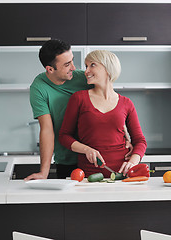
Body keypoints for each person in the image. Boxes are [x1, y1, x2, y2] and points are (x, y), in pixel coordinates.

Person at [25, 39, 132, 180]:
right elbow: (46, 130)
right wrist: (44, 172)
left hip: (96, 159)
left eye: (72, 61)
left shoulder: (83, 77)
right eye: (67, 64)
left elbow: (112, 105)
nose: (74, 68)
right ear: (50, 69)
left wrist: (126, 136)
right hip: (67, 158)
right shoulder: (39, 88)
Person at [59, 50, 147, 177]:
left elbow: (140, 141)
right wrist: (86, 149)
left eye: (92, 65)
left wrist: (133, 162)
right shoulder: (79, 98)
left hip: (122, 176)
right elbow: (64, 136)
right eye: (86, 66)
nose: (86, 71)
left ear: (107, 68)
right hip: (89, 176)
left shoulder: (126, 103)